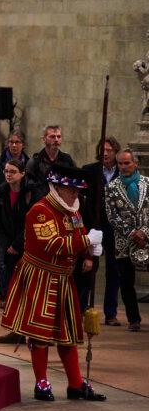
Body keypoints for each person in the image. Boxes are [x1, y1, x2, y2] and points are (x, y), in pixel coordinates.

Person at [0, 165, 107, 403]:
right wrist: (85, 240)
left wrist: (89, 251)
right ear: (58, 188)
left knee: (67, 333)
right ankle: (41, 382)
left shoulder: (73, 211)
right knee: (40, 334)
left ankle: (76, 384)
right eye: (72, 191)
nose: (76, 195)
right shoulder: (40, 211)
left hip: (64, 278)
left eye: (78, 191)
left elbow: (78, 236)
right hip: (40, 277)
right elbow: (52, 243)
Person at [0, 158, 36, 342]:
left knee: (30, 291)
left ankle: (33, 331)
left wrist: (16, 244)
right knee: (14, 290)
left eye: (12, 172)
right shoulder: (1, 191)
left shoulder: (32, 192)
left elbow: (31, 221)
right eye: (6, 171)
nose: (8, 175)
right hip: (8, 248)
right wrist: (5, 245)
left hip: (28, 247)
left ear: (22, 173)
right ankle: (16, 331)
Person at [102, 149, 145, 332]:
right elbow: (112, 216)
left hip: (147, 238)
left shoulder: (147, 184)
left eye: (127, 163)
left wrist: (143, 232)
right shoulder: (111, 187)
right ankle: (133, 319)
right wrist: (132, 232)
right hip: (123, 241)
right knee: (126, 282)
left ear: (135, 163)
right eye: (120, 164)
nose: (124, 167)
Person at [82, 137, 121, 326]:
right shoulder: (90, 170)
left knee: (114, 270)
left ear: (115, 152)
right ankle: (83, 306)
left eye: (109, 150)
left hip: (113, 228)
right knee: (90, 266)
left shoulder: (121, 172)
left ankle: (110, 312)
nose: (105, 153)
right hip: (94, 225)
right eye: (102, 149)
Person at [25, 125, 75, 192]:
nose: (56, 140)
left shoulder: (67, 160)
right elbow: (28, 187)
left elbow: (73, 182)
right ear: (44, 139)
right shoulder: (34, 162)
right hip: (41, 199)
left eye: (59, 136)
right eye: (52, 137)